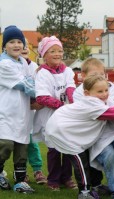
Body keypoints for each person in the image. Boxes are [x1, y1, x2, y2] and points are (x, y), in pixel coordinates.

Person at [45, 74, 114, 199]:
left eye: (106, 90)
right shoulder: (91, 104)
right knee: (80, 161)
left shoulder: (103, 100)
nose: (104, 94)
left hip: (68, 130)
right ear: (87, 93)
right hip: (61, 133)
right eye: (99, 91)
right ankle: (85, 193)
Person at [32, 35, 77, 191]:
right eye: (52, 51)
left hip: (66, 115)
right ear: (44, 55)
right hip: (50, 116)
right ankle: (53, 179)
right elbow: (42, 97)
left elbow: (71, 87)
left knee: (68, 146)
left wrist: (72, 101)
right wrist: (62, 105)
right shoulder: (42, 73)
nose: (57, 54)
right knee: (53, 149)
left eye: (60, 50)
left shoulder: (68, 70)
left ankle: (67, 177)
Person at [0, 25, 35, 193]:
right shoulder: (3, 64)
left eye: (19, 41)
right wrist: (45, 94)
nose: (16, 45)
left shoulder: (23, 62)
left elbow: (31, 79)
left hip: (23, 114)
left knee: (22, 149)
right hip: (5, 114)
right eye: (11, 42)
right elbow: (26, 85)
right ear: (4, 46)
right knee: (5, 144)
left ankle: (20, 181)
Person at [72, 58, 111, 197]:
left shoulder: (102, 89)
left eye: (101, 75)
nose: (97, 78)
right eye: (93, 75)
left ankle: (97, 184)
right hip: (81, 134)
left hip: (94, 133)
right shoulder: (80, 92)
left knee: (94, 158)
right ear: (83, 75)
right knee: (84, 161)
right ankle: (85, 188)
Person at [20, 38, 47, 185]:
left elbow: (38, 88)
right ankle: (20, 171)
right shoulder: (10, 65)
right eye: (20, 44)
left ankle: (37, 169)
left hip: (30, 112)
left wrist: (35, 102)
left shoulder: (36, 67)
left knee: (31, 142)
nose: (23, 47)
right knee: (17, 143)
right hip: (15, 111)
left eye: (26, 44)